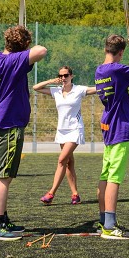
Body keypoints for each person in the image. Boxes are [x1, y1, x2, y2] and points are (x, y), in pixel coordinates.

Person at [0, 25, 47, 241]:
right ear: (22, 47)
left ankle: (2, 219)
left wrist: (21, 48)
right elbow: (42, 50)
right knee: (4, 176)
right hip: (8, 124)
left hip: (1, 121)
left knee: (4, 174)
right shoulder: (14, 61)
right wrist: (25, 50)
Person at [94, 34, 129, 240]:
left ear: (105, 49)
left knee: (105, 174)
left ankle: (103, 221)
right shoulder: (118, 68)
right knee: (114, 178)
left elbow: (124, 80)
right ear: (120, 53)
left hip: (108, 125)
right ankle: (109, 226)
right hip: (119, 126)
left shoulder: (100, 70)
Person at [33, 67, 96, 205]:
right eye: (60, 76)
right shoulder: (56, 91)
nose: (63, 78)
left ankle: (51, 194)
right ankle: (75, 194)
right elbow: (36, 87)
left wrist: (115, 82)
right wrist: (51, 81)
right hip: (62, 131)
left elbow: (98, 89)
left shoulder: (79, 89)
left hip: (75, 129)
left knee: (61, 160)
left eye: (66, 75)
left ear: (72, 76)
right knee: (69, 163)